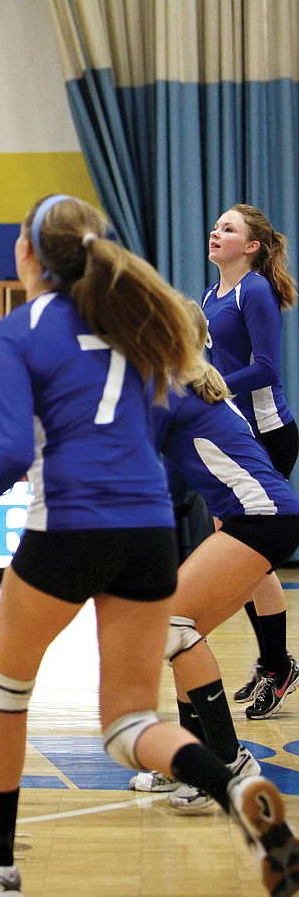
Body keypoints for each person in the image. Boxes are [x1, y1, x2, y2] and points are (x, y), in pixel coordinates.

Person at [0, 194, 299, 897]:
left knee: (3, 686)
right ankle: (230, 784)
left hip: (66, 527)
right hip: (147, 534)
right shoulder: (142, 331)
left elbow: (12, 455)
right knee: (130, 719)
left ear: (28, 255)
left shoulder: (13, 333)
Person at [130, 300, 299, 813]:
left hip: (262, 516)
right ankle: (192, 761)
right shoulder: (189, 382)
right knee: (181, 630)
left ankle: (223, 764)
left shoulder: (170, 389)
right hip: (259, 515)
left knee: (173, 625)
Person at [203, 204, 298, 705]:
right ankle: (274, 664)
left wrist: (210, 386)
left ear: (252, 246)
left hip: (268, 436)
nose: (216, 233)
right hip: (238, 438)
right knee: (239, 557)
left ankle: (277, 666)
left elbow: (266, 369)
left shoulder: (254, 290)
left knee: (245, 557)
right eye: (217, 227)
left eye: (229, 229)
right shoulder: (210, 294)